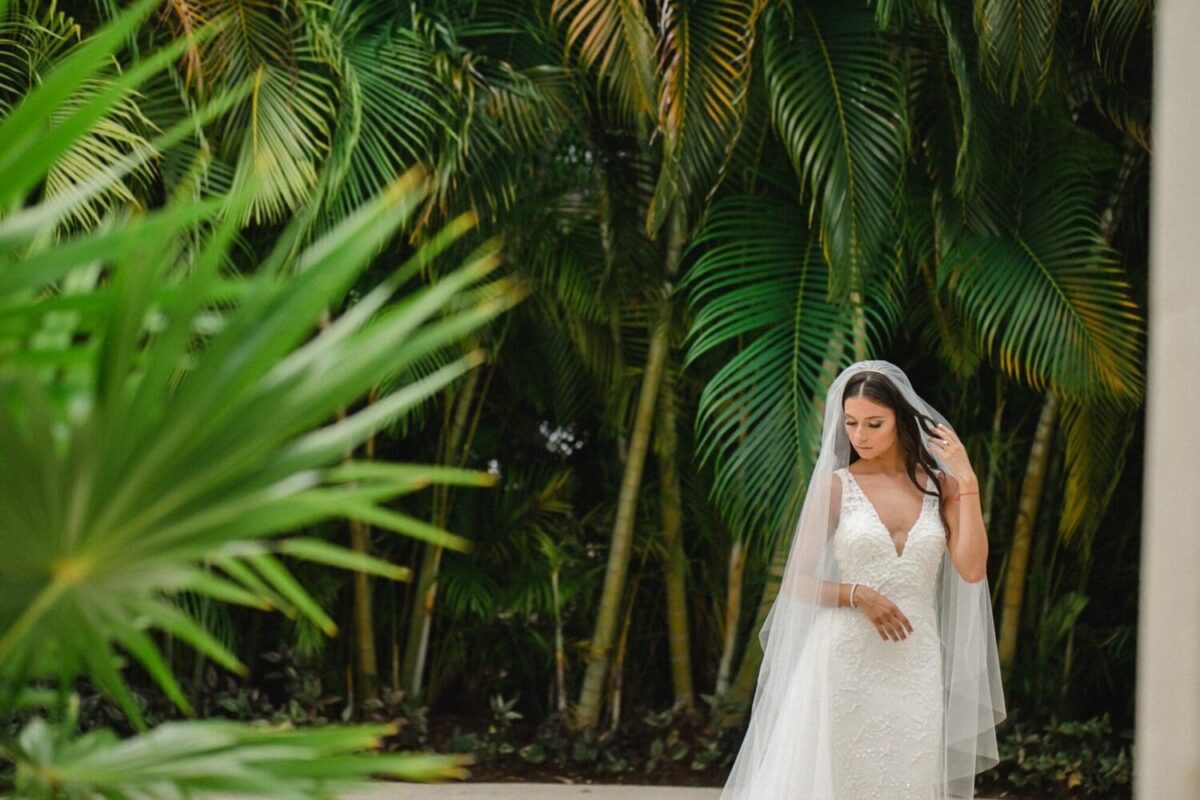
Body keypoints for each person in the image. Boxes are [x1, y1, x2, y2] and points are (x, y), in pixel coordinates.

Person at [718, 360, 1006, 799]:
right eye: (851, 423)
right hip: (845, 657)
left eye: (874, 423)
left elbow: (971, 568)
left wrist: (968, 482)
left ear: (901, 421)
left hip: (915, 657)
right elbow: (796, 581)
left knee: (909, 773)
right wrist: (857, 594)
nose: (860, 436)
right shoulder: (836, 487)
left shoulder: (941, 487)